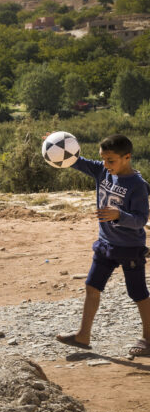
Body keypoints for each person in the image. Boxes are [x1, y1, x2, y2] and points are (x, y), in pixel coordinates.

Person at [55, 134, 150, 357]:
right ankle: (83, 336)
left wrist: (119, 215)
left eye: (111, 160)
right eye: (103, 159)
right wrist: (57, 144)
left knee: (137, 292)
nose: (106, 165)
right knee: (92, 286)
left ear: (127, 157)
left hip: (129, 248)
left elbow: (140, 220)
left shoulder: (138, 186)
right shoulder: (102, 171)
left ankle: (148, 338)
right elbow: (75, 160)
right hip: (105, 245)